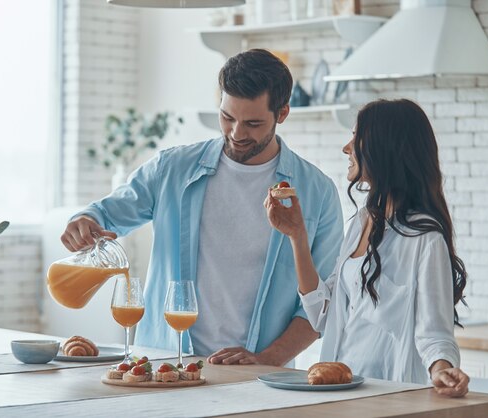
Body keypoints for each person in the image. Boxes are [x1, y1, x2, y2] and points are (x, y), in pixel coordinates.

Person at [60, 49, 344, 366]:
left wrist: (267, 359)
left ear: (283, 113)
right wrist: (85, 219)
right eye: (227, 117)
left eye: (252, 123)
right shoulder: (172, 169)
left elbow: (323, 301)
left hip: (257, 377)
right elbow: (108, 213)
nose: (237, 134)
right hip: (162, 365)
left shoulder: (317, 193)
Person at [265, 98, 470, 396]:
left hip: (390, 397)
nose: (346, 148)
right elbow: (323, 313)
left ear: (384, 148)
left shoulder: (425, 238)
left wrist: (442, 370)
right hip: (341, 389)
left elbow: (434, 333)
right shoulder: (363, 222)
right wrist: (296, 235)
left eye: (355, 137)